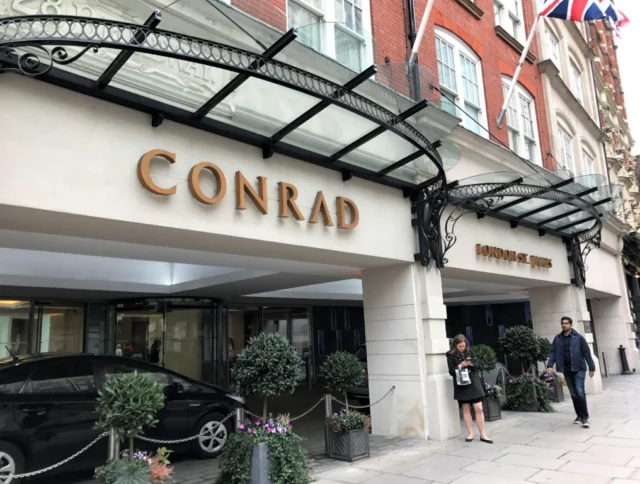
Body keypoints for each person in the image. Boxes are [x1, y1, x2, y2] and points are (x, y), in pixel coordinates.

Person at [546, 316, 596, 428]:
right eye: (562, 323)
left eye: (566, 323)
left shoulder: (578, 338)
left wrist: (591, 367)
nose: (564, 325)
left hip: (579, 368)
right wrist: (550, 365)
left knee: (580, 392)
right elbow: (553, 353)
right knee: (573, 394)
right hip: (566, 369)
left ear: (570, 325)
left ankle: (585, 417)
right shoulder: (557, 338)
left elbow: (586, 353)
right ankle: (578, 415)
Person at [446, 334, 493, 444]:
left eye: (463, 346)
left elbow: (477, 366)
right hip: (461, 383)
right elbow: (451, 372)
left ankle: (483, 434)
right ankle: (470, 433)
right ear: (455, 346)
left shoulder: (469, 352)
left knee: (479, 408)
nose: (462, 348)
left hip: (473, 381)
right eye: (460, 346)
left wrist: (471, 364)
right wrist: (461, 365)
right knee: (466, 408)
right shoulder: (450, 355)